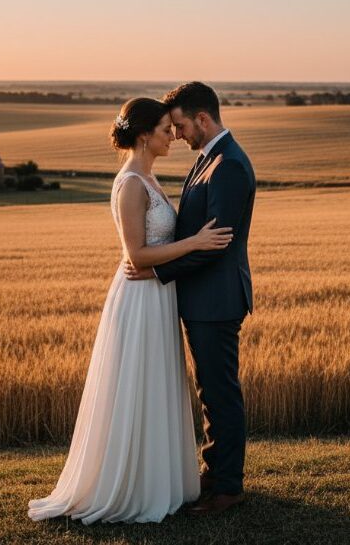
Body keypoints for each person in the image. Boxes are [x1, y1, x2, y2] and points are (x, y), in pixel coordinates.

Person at [28, 97, 233, 524]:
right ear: (143, 135)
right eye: (164, 130)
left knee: (154, 383)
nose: (172, 137)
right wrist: (195, 243)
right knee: (136, 384)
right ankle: (129, 484)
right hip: (140, 296)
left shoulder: (149, 178)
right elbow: (137, 255)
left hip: (158, 294)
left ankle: (158, 479)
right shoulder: (131, 184)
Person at [125, 82, 256, 515]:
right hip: (200, 298)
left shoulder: (229, 165)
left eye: (180, 125)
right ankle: (214, 471)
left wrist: (156, 269)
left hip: (216, 299)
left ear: (203, 119)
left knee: (220, 393)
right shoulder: (209, 160)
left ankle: (228, 487)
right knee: (210, 391)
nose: (176, 134)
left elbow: (213, 243)